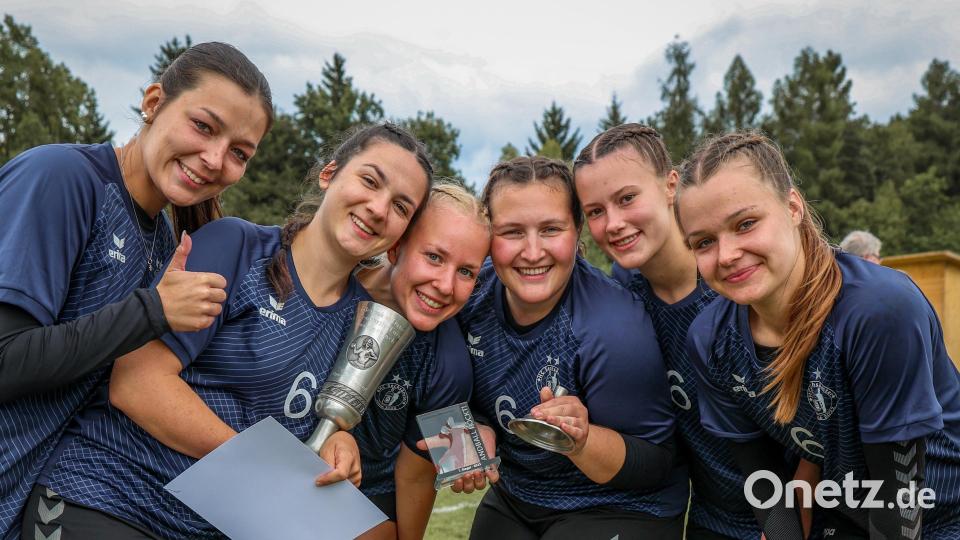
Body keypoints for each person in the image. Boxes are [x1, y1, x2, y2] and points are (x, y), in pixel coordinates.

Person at [31, 123, 433, 539]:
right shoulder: (236, 247)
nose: (379, 208)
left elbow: (316, 425)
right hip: (108, 497)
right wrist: (268, 465)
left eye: (401, 207)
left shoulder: (362, 325)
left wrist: (339, 445)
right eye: (370, 181)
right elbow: (136, 384)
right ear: (329, 174)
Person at [0, 42, 273, 539]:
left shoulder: (166, 244)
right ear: (153, 102)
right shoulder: (60, 178)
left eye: (239, 153)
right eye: (203, 126)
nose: (214, 159)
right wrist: (152, 311)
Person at [677, 132, 960, 538]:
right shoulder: (710, 339)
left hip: (938, 515)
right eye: (704, 242)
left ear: (793, 207)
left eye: (746, 224)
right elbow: (766, 485)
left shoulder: (878, 311)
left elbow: (900, 506)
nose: (726, 255)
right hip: (846, 514)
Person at [456, 156, 688, 539]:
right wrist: (470, 433)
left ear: (576, 230)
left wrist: (582, 440)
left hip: (620, 505)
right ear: (488, 235)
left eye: (550, 229)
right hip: (518, 493)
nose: (532, 252)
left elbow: (656, 461)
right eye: (512, 232)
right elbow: (434, 383)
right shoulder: (467, 294)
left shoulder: (612, 324)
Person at [572, 123, 761, 539]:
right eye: (596, 212)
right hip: (710, 518)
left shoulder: (737, 283)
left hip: (798, 508)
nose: (614, 223)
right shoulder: (621, 295)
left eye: (626, 198)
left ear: (670, 184)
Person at [349, 180, 492, 540]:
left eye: (466, 272)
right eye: (434, 256)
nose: (445, 285)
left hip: (366, 492)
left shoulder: (449, 361)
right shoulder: (331, 290)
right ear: (396, 247)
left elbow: (418, 473)